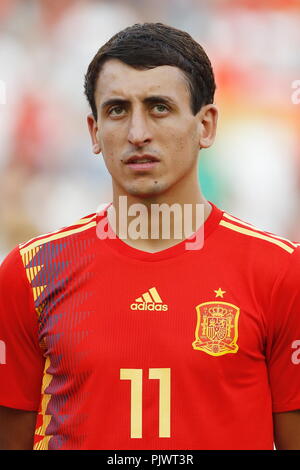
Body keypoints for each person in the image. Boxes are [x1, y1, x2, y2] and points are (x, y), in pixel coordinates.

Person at [0, 22, 300, 451]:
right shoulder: (30, 273)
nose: (137, 133)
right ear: (93, 132)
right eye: (118, 110)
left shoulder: (281, 271)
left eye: (159, 107)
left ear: (207, 125)